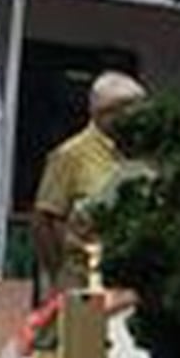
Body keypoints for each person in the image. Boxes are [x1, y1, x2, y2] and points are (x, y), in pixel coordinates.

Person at [31, 71, 147, 293]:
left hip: (134, 281)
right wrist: (59, 275)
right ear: (101, 113)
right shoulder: (70, 155)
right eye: (128, 109)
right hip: (84, 281)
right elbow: (44, 219)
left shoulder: (144, 152)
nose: (136, 116)